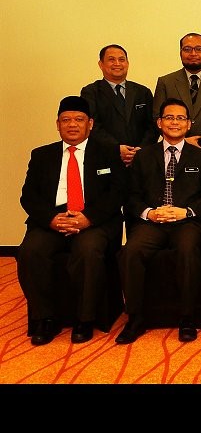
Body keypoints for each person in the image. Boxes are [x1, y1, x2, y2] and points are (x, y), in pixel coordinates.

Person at [17, 96, 125, 345]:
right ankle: (45, 318)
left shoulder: (107, 152)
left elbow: (118, 192)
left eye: (79, 119)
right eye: (66, 120)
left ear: (90, 124)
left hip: (93, 220)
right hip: (53, 219)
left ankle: (84, 319)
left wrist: (88, 218)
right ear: (58, 124)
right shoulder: (42, 155)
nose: (72, 125)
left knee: (88, 251)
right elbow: (28, 196)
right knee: (30, 252)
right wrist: (51, 219)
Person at [116, 98, 201, 344]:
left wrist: (187, 212)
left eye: (181, 118)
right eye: (169, 117)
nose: (175, 122)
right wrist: (149, 213)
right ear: (159, 123)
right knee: (131, 252)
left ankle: (188, 317)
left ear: (189, 124)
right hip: (152, 222)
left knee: (188, 249)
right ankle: (135, 317)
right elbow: (131, 196)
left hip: (186, 222)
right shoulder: (143, 156)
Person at [81, 44, 157, 166]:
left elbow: (153, 125)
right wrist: (116, 148)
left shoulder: (143, 92)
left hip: (140, 159)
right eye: (111, 59)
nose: (117, 63)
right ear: (101, 64)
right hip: (106, 158)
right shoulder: (91, 92)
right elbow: (92, 126)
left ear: (127, 63)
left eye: (121, 59)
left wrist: (141, 149)